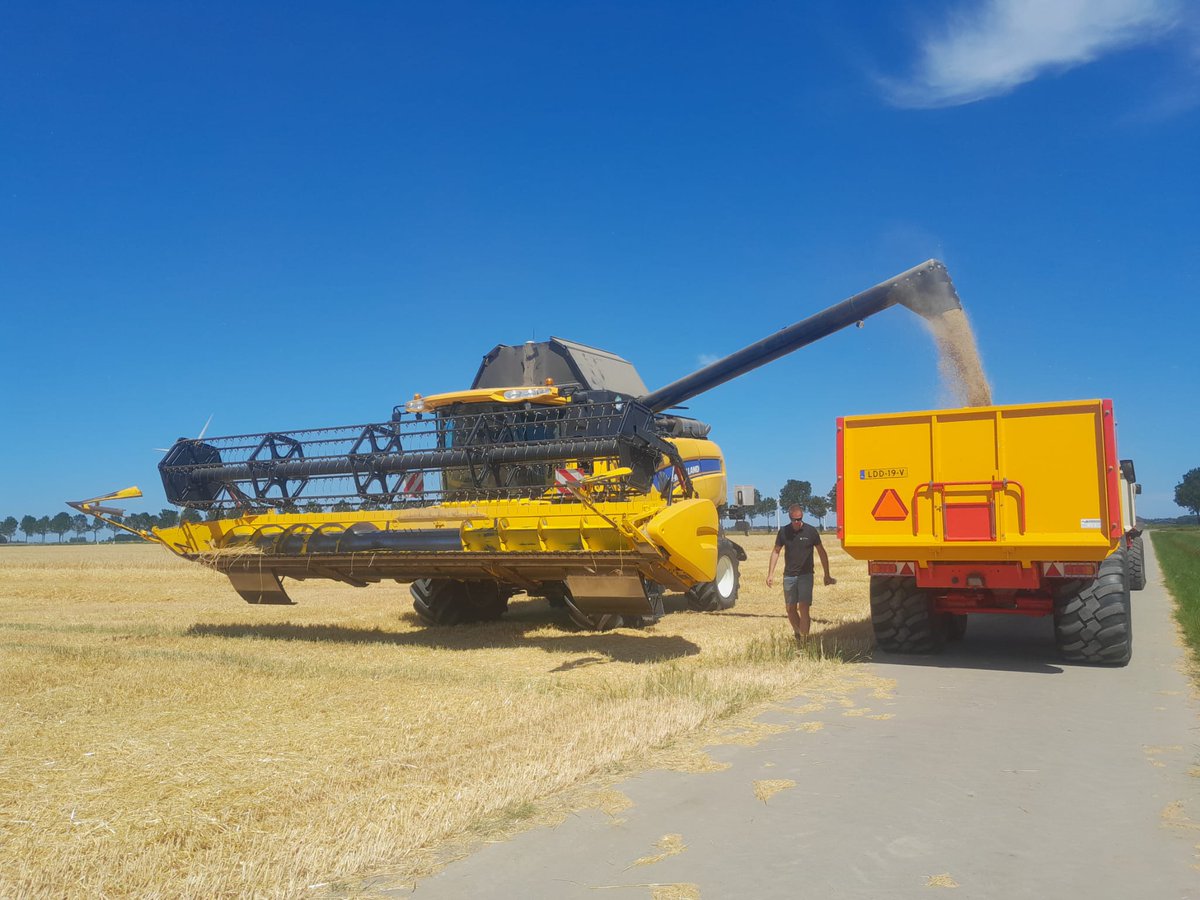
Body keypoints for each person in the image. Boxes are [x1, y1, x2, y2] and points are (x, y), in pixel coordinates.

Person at [766, 503, 835, 641]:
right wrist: (770, 574)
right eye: (794, 520)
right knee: (790, 609)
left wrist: (826, 574)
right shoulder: (784, 532)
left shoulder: (811, 531)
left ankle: (804, 640)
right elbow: (776, 551)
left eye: (800, 519)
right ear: (790, 518)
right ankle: (798, 633)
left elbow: (822, 553)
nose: (798, 522)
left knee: (803, 607)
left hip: (806, 575)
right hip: (789, 575)